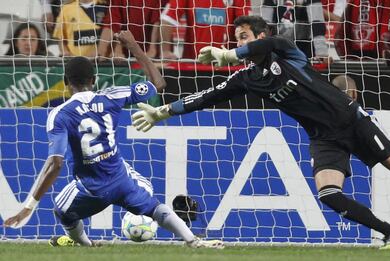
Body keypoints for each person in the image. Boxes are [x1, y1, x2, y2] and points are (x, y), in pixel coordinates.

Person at [132, 15, 390, 250]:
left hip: (350, 118)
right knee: (328, 194)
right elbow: (206, 97)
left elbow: (274, 41)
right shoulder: (246, 78)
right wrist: (162, 112)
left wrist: (230, 54)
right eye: (236, 38)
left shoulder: (286, 53)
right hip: (323, 137)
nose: (239, 42)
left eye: (244, 36)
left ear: (260, 35)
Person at [3, 30, 223, 249]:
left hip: (90, 188)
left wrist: (29, 206)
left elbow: (56, 162)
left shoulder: (60, 114)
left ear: (65, 81)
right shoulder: (112, 96)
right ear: (94, 79)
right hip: (120, 180)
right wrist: (134, 46)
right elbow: (158, 83)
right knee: (155, 208)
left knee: (62, 210)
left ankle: (86, 245)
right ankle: (193, 241)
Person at [160, 0, 250, 59]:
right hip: (194, 64)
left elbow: (246, 25)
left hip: (226, 64)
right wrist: (165, 51)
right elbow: (167, 19)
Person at [261, 0, 330, 63]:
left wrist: (321, 52)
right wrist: (262, 50)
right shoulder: (272, 1)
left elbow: (317, 24)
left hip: (303, 50)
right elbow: (265, 25)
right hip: (278, 50)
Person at [98, 0, 168, 59]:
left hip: (153, 52)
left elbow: (159, 20)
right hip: (125, 52)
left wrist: (152, 49)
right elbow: (112, 22)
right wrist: (102, 50)